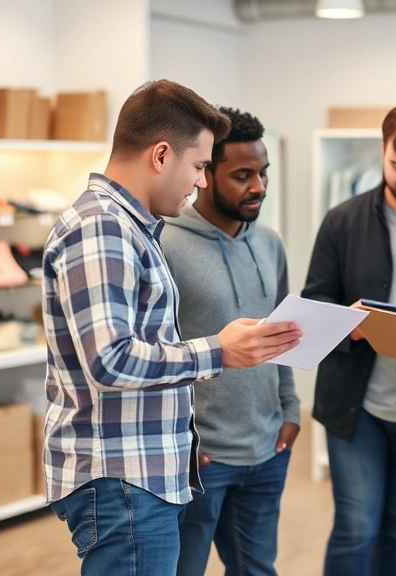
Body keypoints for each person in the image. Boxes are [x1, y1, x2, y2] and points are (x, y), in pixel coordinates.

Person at [42, 80, 302, 576]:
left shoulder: (131, 227)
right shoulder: (103, 227)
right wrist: (218, 351)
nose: (202, 181)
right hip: (124, 480)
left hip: (140, 475)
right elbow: (110, 360)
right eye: (200, 165)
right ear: (162, 155)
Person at [303, 102, 396, 576]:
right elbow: (313, 311)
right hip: (355, 406)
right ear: (382, 153)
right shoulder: (341, 221)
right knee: (356, 526)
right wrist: (352, 324)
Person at [161, 107, 299, 576]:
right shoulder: (165, 245)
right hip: (202, 457)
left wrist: (290, 411)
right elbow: (158, 350)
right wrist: (181, 438)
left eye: (263, 173)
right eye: (243, 175)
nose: (258, 186)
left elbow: (283, 335)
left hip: (267, 449)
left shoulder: (270, 244)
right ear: (205, 174)